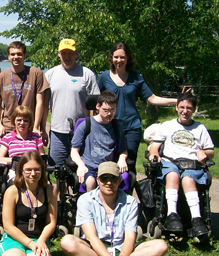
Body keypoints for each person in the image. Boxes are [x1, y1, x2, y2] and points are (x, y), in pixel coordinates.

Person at [61, 161, 167, 256]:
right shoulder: (85, 200)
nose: (109, 182)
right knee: (67, 242)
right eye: (104, 178)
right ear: (98, 180)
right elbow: (92, 237)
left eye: (113, 178)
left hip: (123, 250)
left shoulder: (130, 202)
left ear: (119, 180)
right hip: (95, 250)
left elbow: (129, 238)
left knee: (161, 246)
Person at [98, 42, 176, 173]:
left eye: (122, 57)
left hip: (131, 127)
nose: (119, 60)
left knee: (129, 164)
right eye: (116, 57)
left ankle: (127, 192)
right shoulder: (104, 77)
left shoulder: (136, 77)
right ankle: (111, 193)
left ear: (128, 58)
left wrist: (176, 101)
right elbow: (96, 103)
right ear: (111, 57)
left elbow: (152, 98)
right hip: (110, 126)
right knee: (109, 163)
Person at [149, 92, 215, 237]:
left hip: (191, 164)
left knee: (188, 179)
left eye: (189, 108)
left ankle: (197, 219)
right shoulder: (167, 126)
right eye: (182, 107)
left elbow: (211, 151)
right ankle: (172, 215)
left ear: (194, 109)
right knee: (172, 175)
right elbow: (154, 146)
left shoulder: (200, 128)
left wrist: (204, 152)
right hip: (170, 161)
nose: (185, 111)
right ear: (176, 108)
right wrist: (154, 153)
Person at [0, 151, 57, 256]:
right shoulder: (12, 191)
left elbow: (51, 222)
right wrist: (30, 244)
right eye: (28, 170)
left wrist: (41, 240)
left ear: (42, 170)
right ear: (21, 171)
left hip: (38, 239)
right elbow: (8, 226)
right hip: (15, 239)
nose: (33, 174)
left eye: (37, 170)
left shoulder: (50, 191)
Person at [45, 39, 100, 166]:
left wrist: (93, 129)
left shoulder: (87, 74)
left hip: (81, 131)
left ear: (76, 53)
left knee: (82, 168)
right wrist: (41, 128)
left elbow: (95, 106)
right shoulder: (50, 74)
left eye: (70, 53)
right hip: (57, 131)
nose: (67, 57)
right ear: (58, 54)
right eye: (64, 53)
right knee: (57, 170)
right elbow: (43, 105)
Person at [70, 91, 128, 191]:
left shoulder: (116, 126)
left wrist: (122, 159)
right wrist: (80, 165)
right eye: (105, 110)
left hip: (108, 166)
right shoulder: (86, 124)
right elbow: (74, 151)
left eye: (112, 110)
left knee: (118, 181)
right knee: (90, 181)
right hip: (90, 166)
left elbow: (123, 150)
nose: (109, 114)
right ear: (98, 106)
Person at [0, 41, 50, 142]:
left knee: (30, 158)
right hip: (8, 129)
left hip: (30, 128)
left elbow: (40, 102)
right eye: (12, 54)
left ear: (24, 55)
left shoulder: (36, 73)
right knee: (4, 158)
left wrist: (36, 126)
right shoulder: (2, 77)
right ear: (9, 56)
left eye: (19, 54)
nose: (16, 57)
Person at [0, 106, 45, 184]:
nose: (22, 123)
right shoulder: (8, 138)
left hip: (33, 171)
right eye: (19, 120)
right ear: (14, 121)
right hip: (16, 171)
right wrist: (15, 160)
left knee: (48, 186)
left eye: (26, 121)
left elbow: (43, 157)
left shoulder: (35, 137)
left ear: (29, 123)